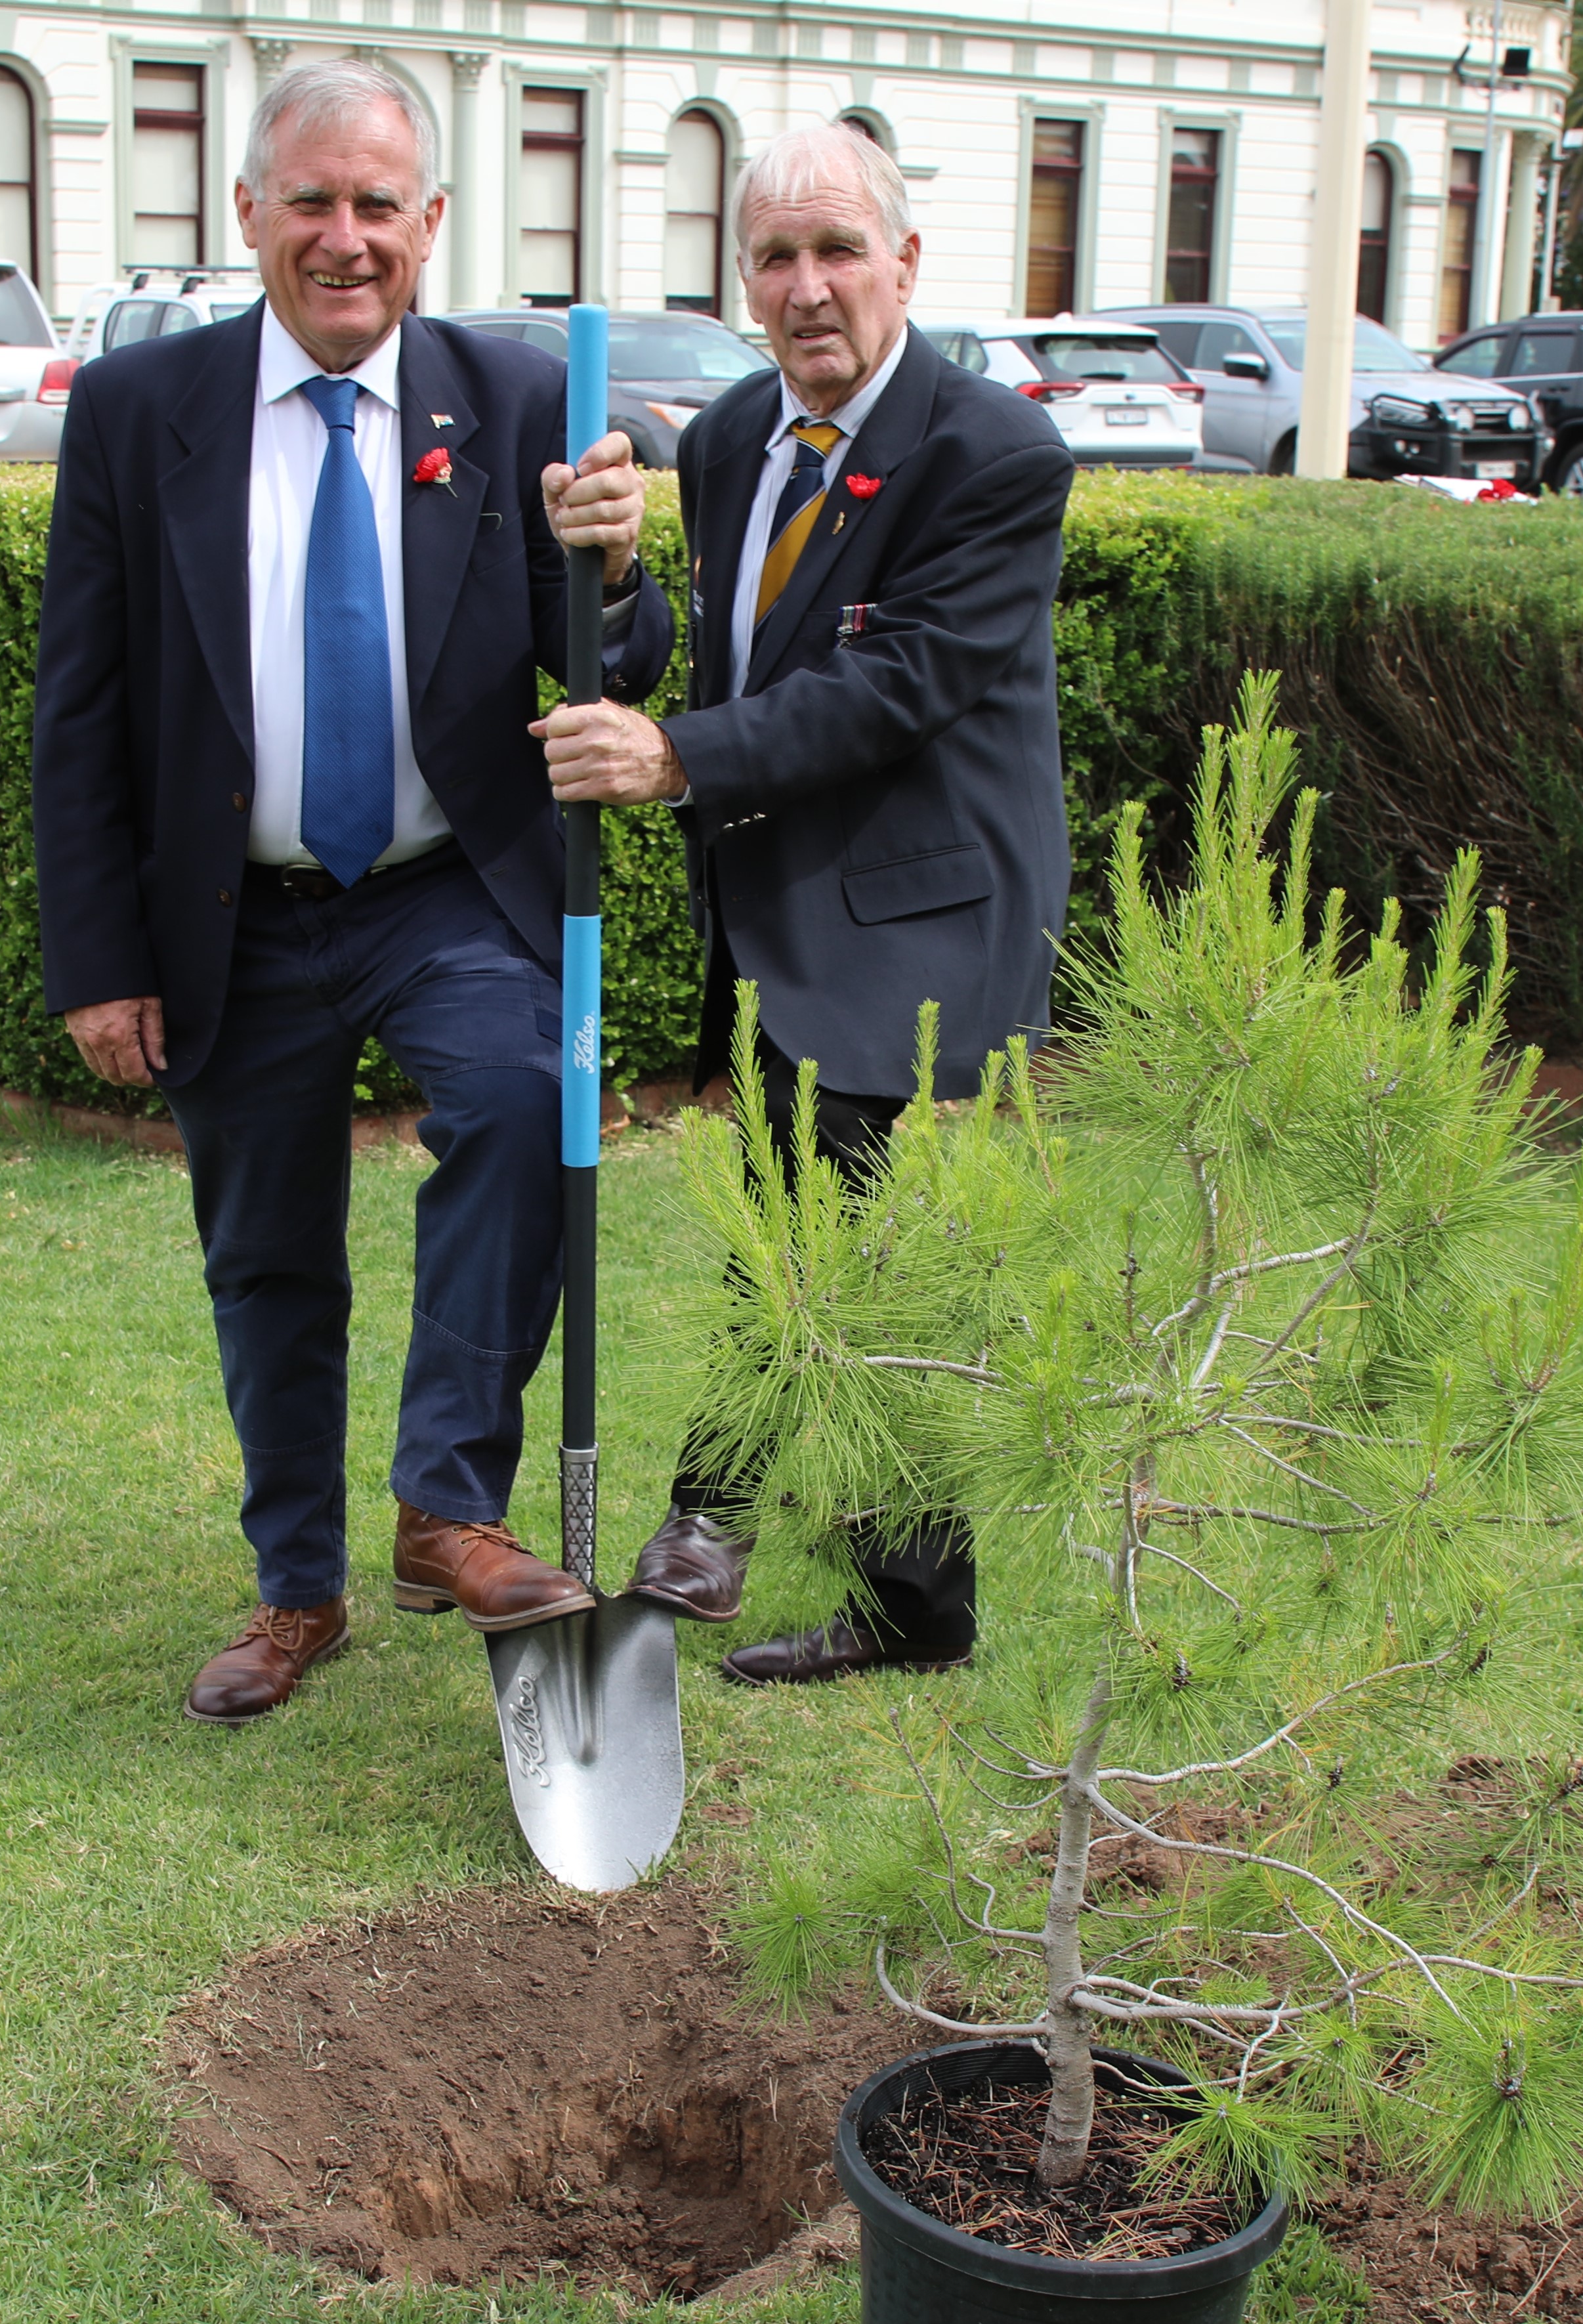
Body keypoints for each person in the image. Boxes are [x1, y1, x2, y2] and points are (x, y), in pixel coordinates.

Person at [33, 61, 673, 1723]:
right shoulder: (137, 412)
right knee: (268, 1257)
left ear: (430, 223)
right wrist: (101, 953)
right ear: (247, 213)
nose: (342, 238)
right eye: (308, 201)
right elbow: (81, 704)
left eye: (376, 206)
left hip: (439, 887)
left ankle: (448, 1506)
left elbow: (612, 662)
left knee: (532, 1092)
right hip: (232, 914)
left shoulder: (516, 401)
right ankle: (296, 1588)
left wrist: (616, 562)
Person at [534, 120, 1074, 1687]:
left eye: (841, 248)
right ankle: (919, 1612)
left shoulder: (992, 454)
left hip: (916, 911)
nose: (810, 285)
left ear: (906, 261)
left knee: (798, 1218)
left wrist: (673, 761)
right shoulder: (725, 445)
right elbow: (720, 665)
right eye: (777, 255)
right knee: (841, 1249)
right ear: (744, 280)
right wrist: (625, 589)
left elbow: (888, 690)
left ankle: (706, 1519)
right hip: (786, 900)